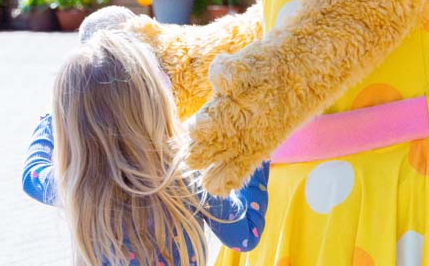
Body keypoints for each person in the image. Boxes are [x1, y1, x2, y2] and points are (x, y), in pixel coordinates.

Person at [22, 26, 268, 266]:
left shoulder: (76, 184)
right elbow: (245, 237)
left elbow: (32, 174)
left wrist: (51, 119)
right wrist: (257, 151)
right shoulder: (186, 177)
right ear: (154, 101)